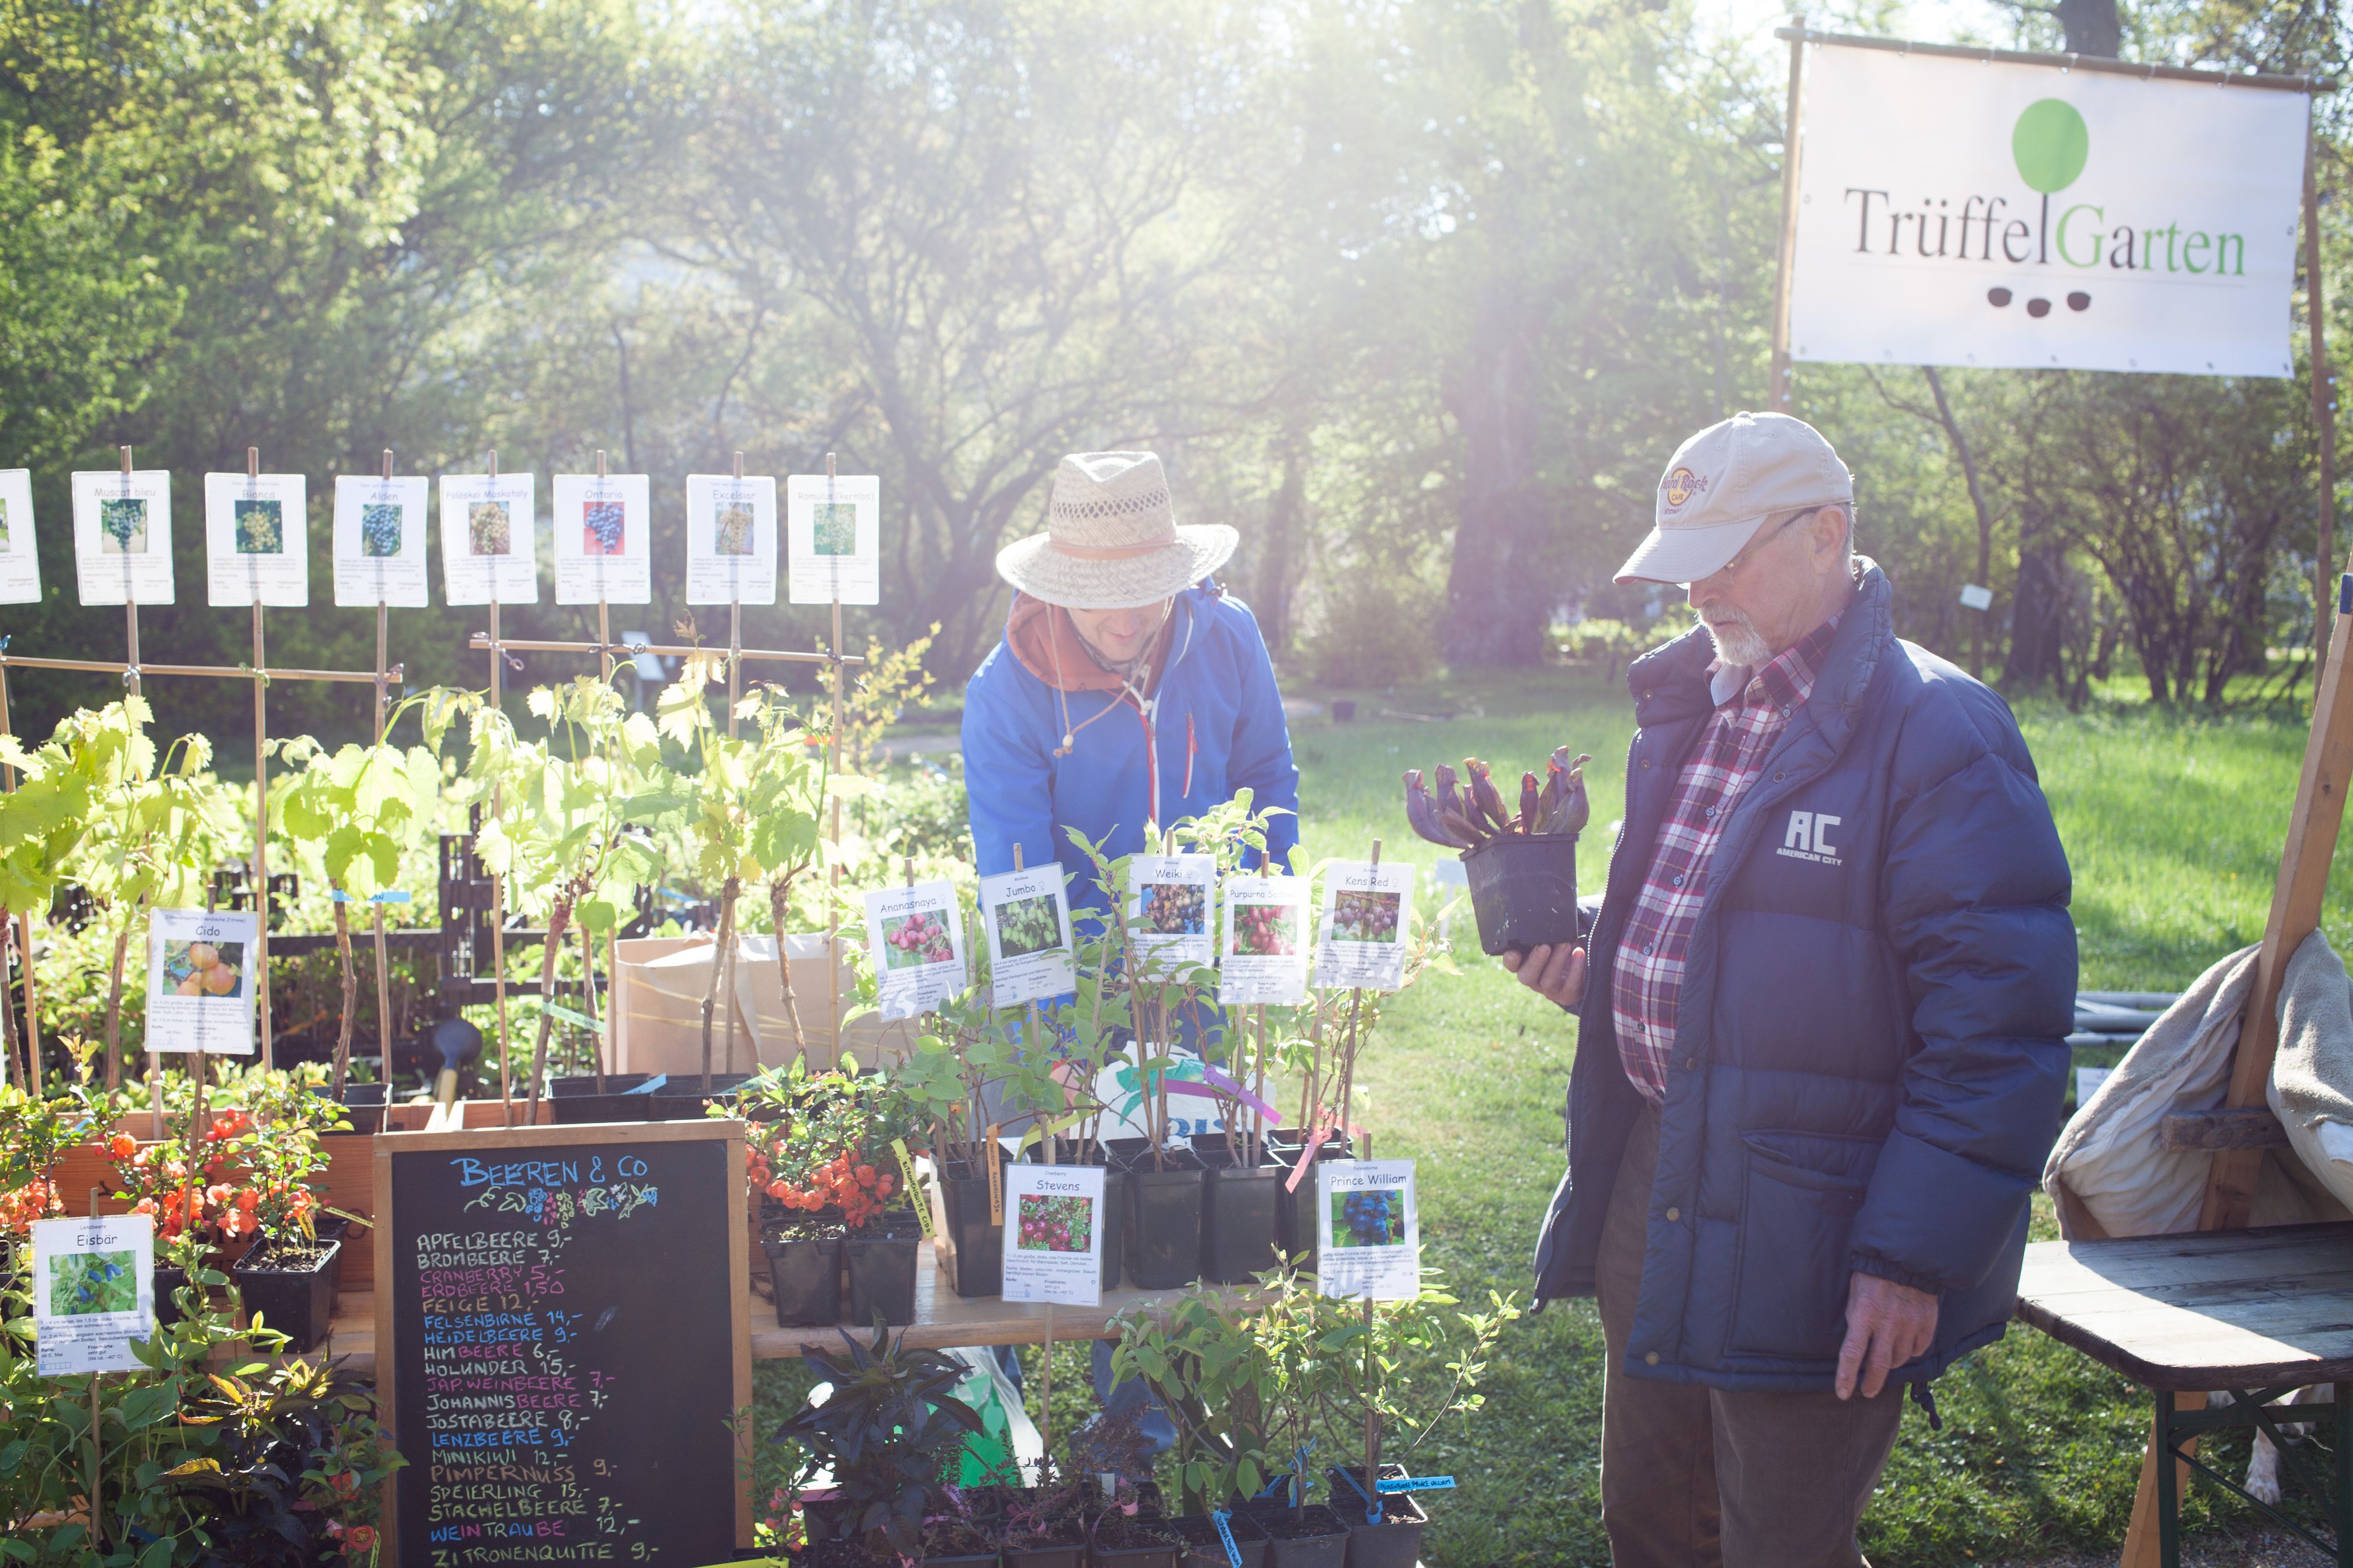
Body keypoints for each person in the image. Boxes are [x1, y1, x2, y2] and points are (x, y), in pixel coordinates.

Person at [1512, 412, 2074, 1567]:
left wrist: (1909, 1256)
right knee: (1654, 1523)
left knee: (1781, 1543)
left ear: (1828, 535)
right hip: (1656, 1170)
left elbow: (1996, 1036)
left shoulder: (1939, 732)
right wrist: (1590, 962)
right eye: (1685, 562)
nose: (1699, 589)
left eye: (1728, 555)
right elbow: (1720, 932)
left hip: (1818, 1215)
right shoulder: (1693, 701)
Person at [961, 448, 1302, 1457]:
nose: (1126, 617)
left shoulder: (1227, 637)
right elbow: (1017, 890)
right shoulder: (1007, 695)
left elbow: (1267, 776)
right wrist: (1055, 1040)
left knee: (1172, 1213)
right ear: (1056, 585)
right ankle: (1000, 1447)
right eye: (1100, 597)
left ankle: (1151, 1442)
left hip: (1194, 990)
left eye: (1145, 591)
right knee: (1051, 1217)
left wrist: (1261, 943)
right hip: (1070, 992)